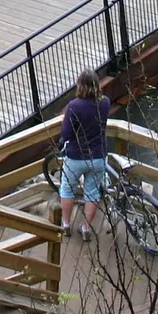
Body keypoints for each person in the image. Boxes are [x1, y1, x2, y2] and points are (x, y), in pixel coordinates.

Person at [57, 69, 110, 240]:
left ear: (80, 85)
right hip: (98, 155)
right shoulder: (105, 102)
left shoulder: (74, 106)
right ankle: (86, 229)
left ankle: (66, 224)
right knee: (93, 193)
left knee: (67, 188)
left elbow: (67, 132)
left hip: (76, 157)